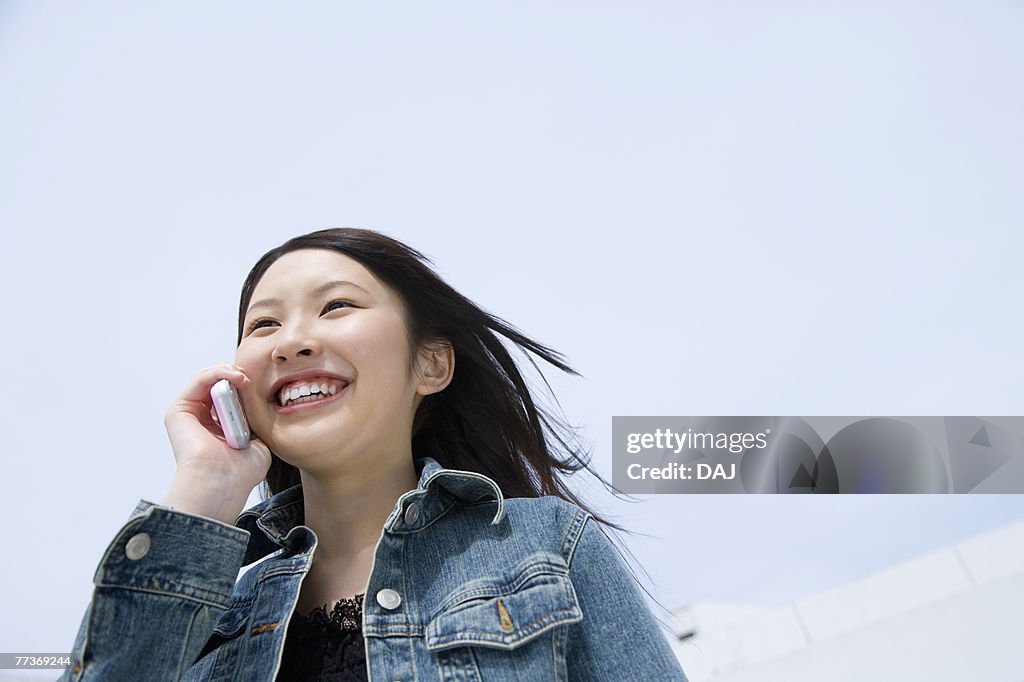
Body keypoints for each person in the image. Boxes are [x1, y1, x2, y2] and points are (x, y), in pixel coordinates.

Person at [60, 228, 688, 681]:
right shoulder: (208, 609)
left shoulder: (549, 544)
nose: (293, 342)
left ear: (431, 363)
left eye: (336, 306)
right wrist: (203, 492)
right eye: (263, 325)